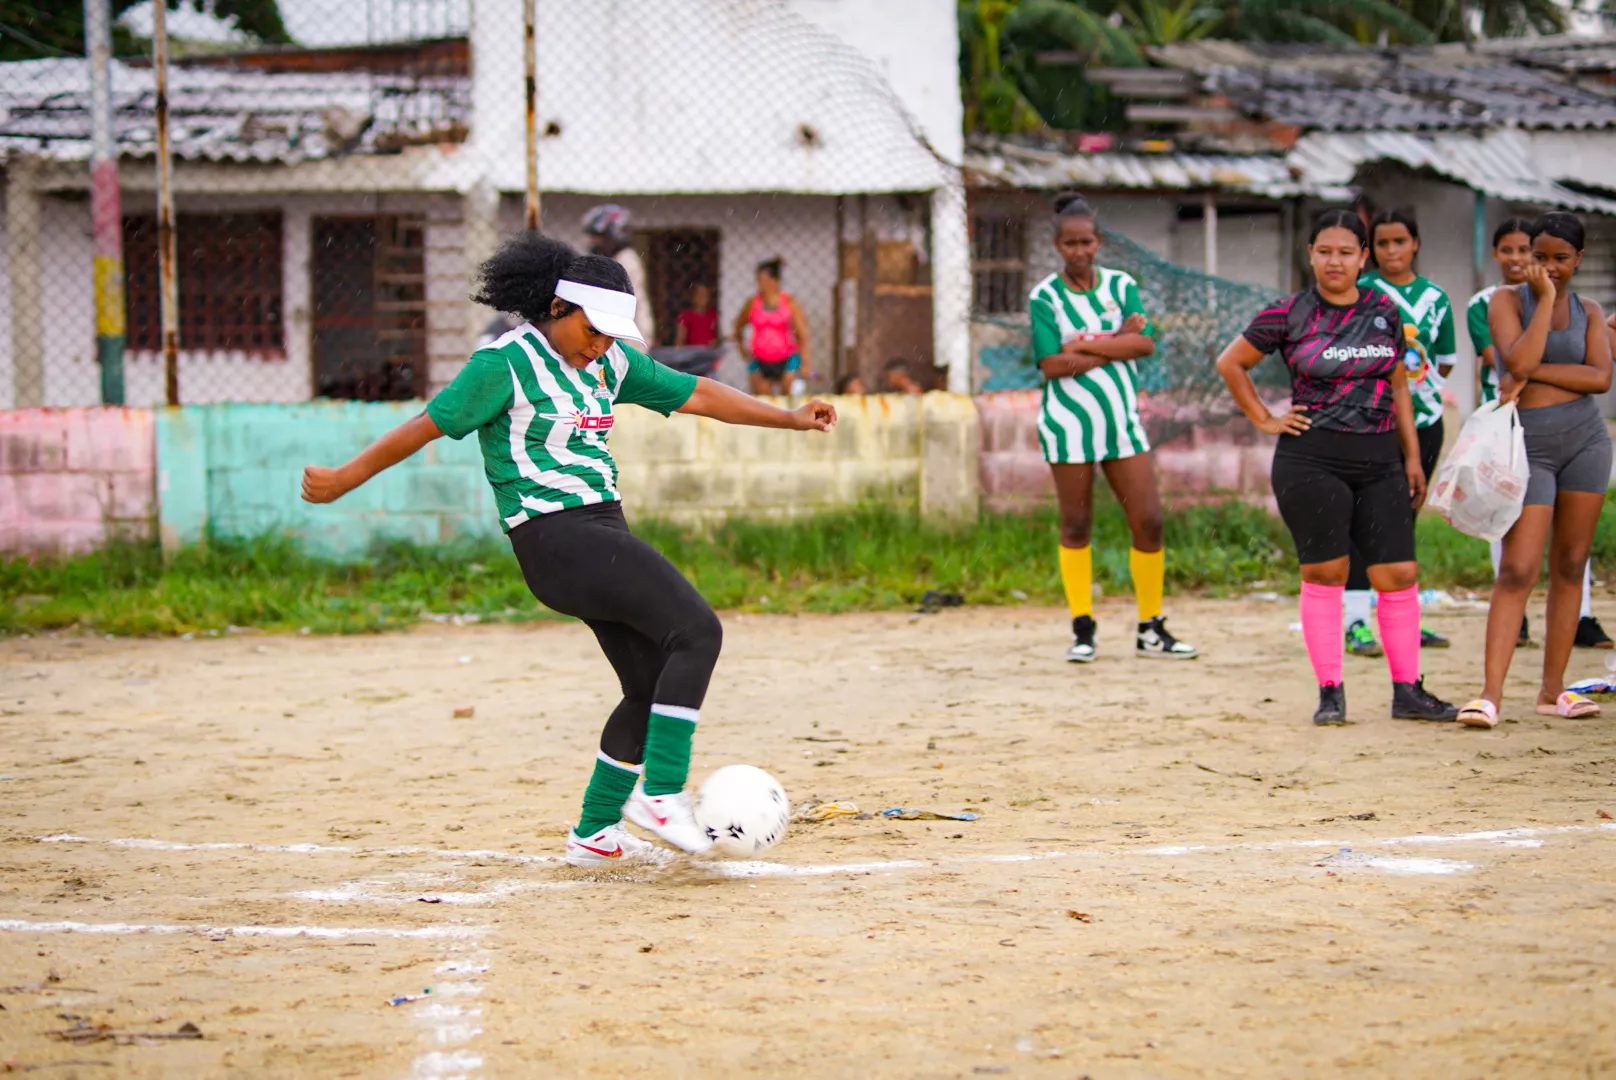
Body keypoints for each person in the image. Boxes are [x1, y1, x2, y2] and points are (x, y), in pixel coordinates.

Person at [299, 232, 837, 863]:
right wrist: (342, 480)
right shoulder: (503, 365)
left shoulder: (609, 363)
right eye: (593, 329)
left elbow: (700, 394)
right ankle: (661, 793)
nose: (603, 343)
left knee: (648, 683)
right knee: (698, 633)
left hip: (603, 532)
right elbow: (424, 429)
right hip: (554, 535)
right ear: (557, 309)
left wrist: (789, 417)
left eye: (614, 333)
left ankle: (594, 833)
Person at [1214, 209, 1459, 725]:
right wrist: (1264, 418)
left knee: (1398, 572)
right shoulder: (1288, 312)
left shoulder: (1384, 311)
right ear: (1310, 254)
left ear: (1363, 257)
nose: (1335, 261)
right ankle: (1330, 692)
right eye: (1325, 251)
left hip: (1379, 458)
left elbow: (1398, 386)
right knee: (1327, 572)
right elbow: (1230, 363)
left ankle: (1408, 692)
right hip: (1310, 458)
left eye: (1347, 252)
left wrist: (1412, 458)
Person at [1458, 212, 1613, 727]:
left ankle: (1553, 691)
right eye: (1537, 256)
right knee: (1519, 568)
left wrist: (1529, 372)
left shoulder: (1591, 310)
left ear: (1578, 260)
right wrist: (1544, 302)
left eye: (1559, 259)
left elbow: (1600, 379)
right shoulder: (1506, 301)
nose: (1545, 266)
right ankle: (1490, 695)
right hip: (1530, 448)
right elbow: (1516, 361)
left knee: (1570, 566)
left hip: (1587, 444)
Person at [1031, 191, 1197, 664]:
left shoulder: (1121, 285)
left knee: (1148, 521)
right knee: (1077, 524)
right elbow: (1049, 364)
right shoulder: (1044, 296)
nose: (1079, 251)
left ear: (1098, 242)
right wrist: (1114, 339)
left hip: (1121, 421)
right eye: (1070, 244)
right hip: (1068, 424)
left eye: (1087, 242)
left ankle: (1151, 628)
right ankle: (1083, 630)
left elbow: (1144, 345)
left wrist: (1083, 345)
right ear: (1058, 246)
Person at [1345, 209, 1455, 656]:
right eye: (1384, 243)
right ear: (1372, 250)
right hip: (1371, 423)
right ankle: (1355, 622)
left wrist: (1423, 388)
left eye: (1400, 242)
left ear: (1416, 244)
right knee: (1359, 521)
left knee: (1402, 520)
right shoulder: (1364, 292)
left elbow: (1445, 357)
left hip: (1425, 423)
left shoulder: (1436, 298)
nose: (1392, 251)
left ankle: (1403, 620)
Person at [734, 257, 811, 395]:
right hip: (759, 359)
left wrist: (805, 364)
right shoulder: (752, 303)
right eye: (758, 281)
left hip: (786, 358)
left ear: (775, 281)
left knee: (788, 398)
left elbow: (802, 336)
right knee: (762, 402)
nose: (759, 285)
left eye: (763, 281)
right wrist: (743, 350)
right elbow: (738, 326)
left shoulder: (790, 303)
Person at [582, 204, 656, 346]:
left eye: (597, 237)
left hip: (630, 339)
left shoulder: (626, 261)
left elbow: (626, 307)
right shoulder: (612, 260)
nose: (593, 242)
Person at [675, 283, 719, 347]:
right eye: (700, 294)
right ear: (693, 297)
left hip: (711, 352)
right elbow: (680, 340)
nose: (703, 297)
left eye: (706, 294)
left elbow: (718, 335)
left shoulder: (713, 315)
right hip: (693, 353)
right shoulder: (686, 316)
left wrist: (716, 342)